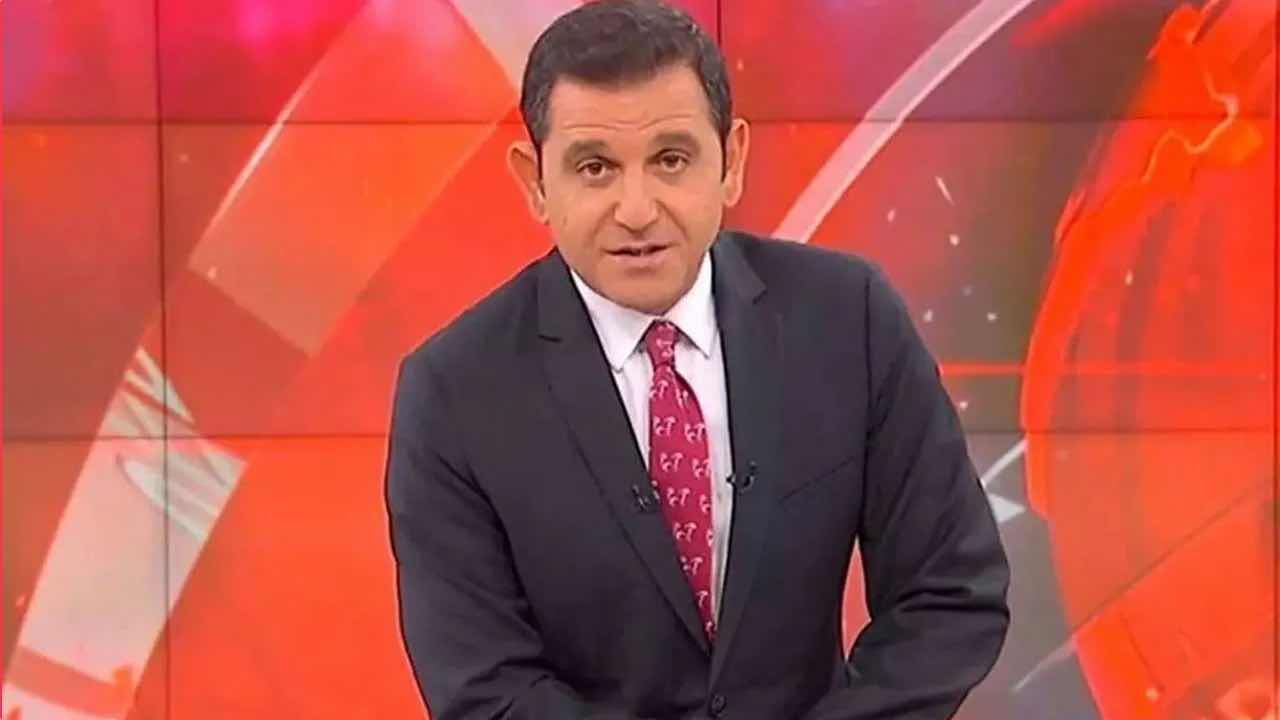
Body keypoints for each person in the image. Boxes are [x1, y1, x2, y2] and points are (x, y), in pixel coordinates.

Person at [384, 1, 1010, 718]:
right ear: (536, 182)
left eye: (671, 160)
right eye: (595, 167)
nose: (637, 209)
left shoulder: (848, 319)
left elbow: (950, 593)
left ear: (731, 162)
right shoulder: (454, 393)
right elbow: (484, 687)